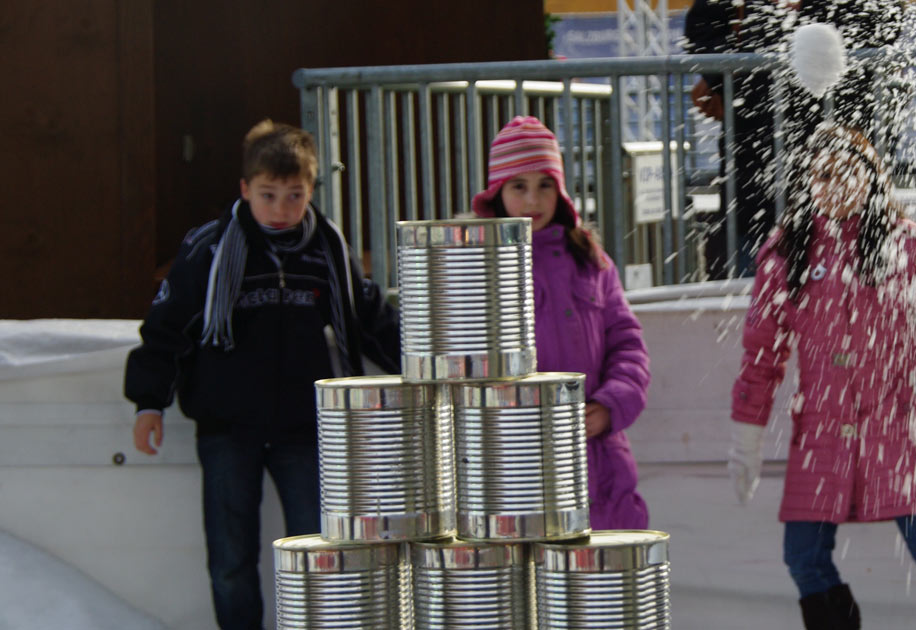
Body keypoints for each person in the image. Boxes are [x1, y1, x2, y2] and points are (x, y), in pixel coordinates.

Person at [124, 120, 402, 629]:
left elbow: (371, 320)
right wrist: (148, 402)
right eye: (268, 195)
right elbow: (167, 327)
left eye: (294, 196)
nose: (281, 209)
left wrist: (428, 368)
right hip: (228, 429)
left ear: (311, 191)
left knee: (319, 555)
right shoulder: (207, 250)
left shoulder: (328, 252)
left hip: (305, 429)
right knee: (231, 562)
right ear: (245, 189)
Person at [727, 123, 916, 629]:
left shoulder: (907, 250)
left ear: (872, 178)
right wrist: (746, 435)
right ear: (807, 183)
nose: (835, 184)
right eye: (822, 175)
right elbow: (761, 355)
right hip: (822, 436)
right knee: (802, 557)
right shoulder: (787, 256)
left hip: (902, 435)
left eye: (848, 172)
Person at [471, 115, 652, 529]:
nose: (533, 200)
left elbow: (628, 343)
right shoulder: (481, 265)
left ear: (561, 190)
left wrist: (610, 405)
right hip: (516, 470)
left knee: (604, 589)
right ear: (498, 193)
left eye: (544, 185)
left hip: (600, 467)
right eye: (519, 186)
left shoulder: (590, 258)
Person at [684, 0, 905, 279]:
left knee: (856, 295)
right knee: (757, 298)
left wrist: (799, 42)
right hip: (758, 184)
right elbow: (703, 36)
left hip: (846, 191)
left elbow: (885, 24)